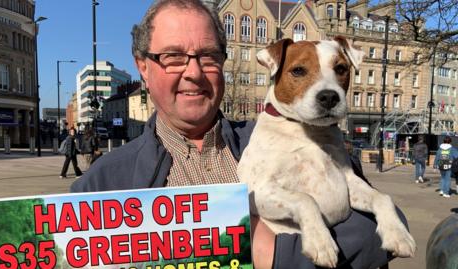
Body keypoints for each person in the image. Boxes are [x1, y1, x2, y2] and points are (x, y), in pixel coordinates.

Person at [71, 1, 409, 268]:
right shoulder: (105, 182)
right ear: (143, 67)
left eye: (208, 57)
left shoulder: (293, 138)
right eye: (173, 57)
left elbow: (377, 237)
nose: (193, 73)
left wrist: (274, 255)